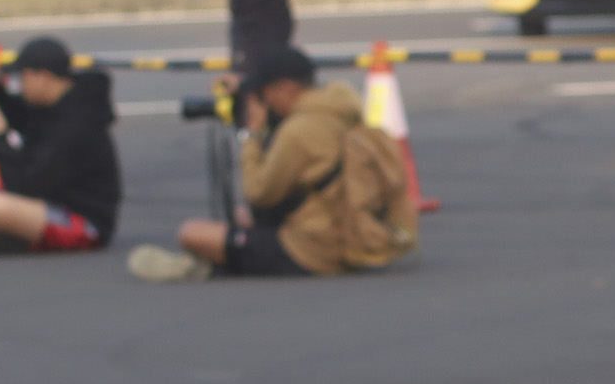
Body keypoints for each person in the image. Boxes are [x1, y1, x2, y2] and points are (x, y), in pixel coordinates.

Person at [129, 44, 416, 280]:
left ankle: (202, 267)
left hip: (312, 251)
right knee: (244, 218)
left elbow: (258, 193)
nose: (264, 102)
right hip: (351, 234)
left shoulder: (298, 131)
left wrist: (252, 135)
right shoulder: (342, 111)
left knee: (192, 233)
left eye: (265, 93)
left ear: (284, 88)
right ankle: (217, 263)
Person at [0, 35, 121, 253]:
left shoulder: (77, 126)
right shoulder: (52, 105)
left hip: (81, 221)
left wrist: (0, 137)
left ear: (42, 77)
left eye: (23, 78)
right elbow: (21, 115)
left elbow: (25, 186)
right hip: (43, 202)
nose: (20, 85)